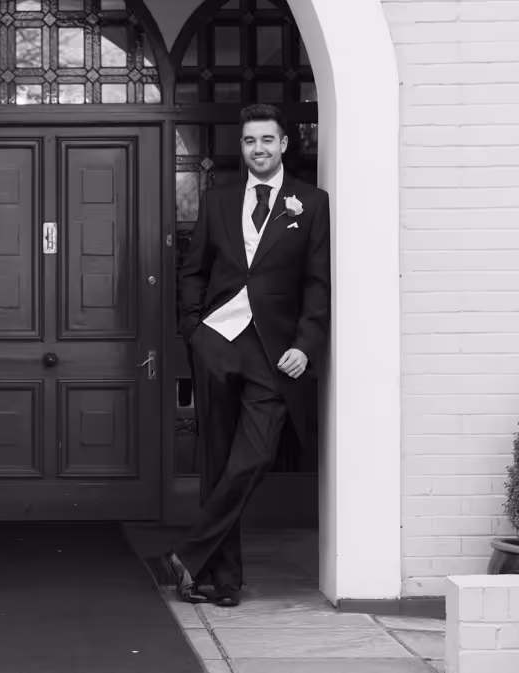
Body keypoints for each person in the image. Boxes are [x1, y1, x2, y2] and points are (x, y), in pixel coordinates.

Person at [164, 104, 331, 607]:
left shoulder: (311, 202)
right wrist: (193, 329)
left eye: (267, 140)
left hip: (276, 353)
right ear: (243, 147)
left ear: (284, 144)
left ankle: (190, 555)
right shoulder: (218, 201)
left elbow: (316, 283)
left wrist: (306, 345)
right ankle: (225, 580)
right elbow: (193, 268)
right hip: (217, 342)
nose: (258, 149)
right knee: (217, 461)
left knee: (252, 456)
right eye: (249, 141)